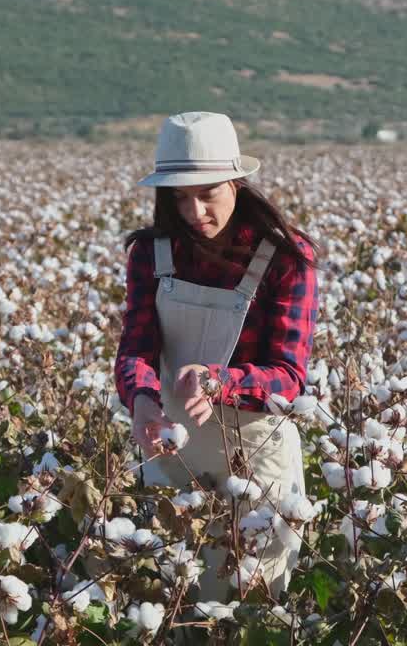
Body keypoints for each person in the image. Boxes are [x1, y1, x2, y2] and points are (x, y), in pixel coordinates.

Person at [114, 111, 320, 601]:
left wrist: (217, 381)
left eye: (207, 194)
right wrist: (141, 399)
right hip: (170, 448)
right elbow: (137, 345)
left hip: (255, 454)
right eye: (179, 197)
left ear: (237, 182)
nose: (193, 211)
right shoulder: (152, 252)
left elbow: (289, 377)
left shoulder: (285, 258)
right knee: (177, 602)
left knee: (254, 603)